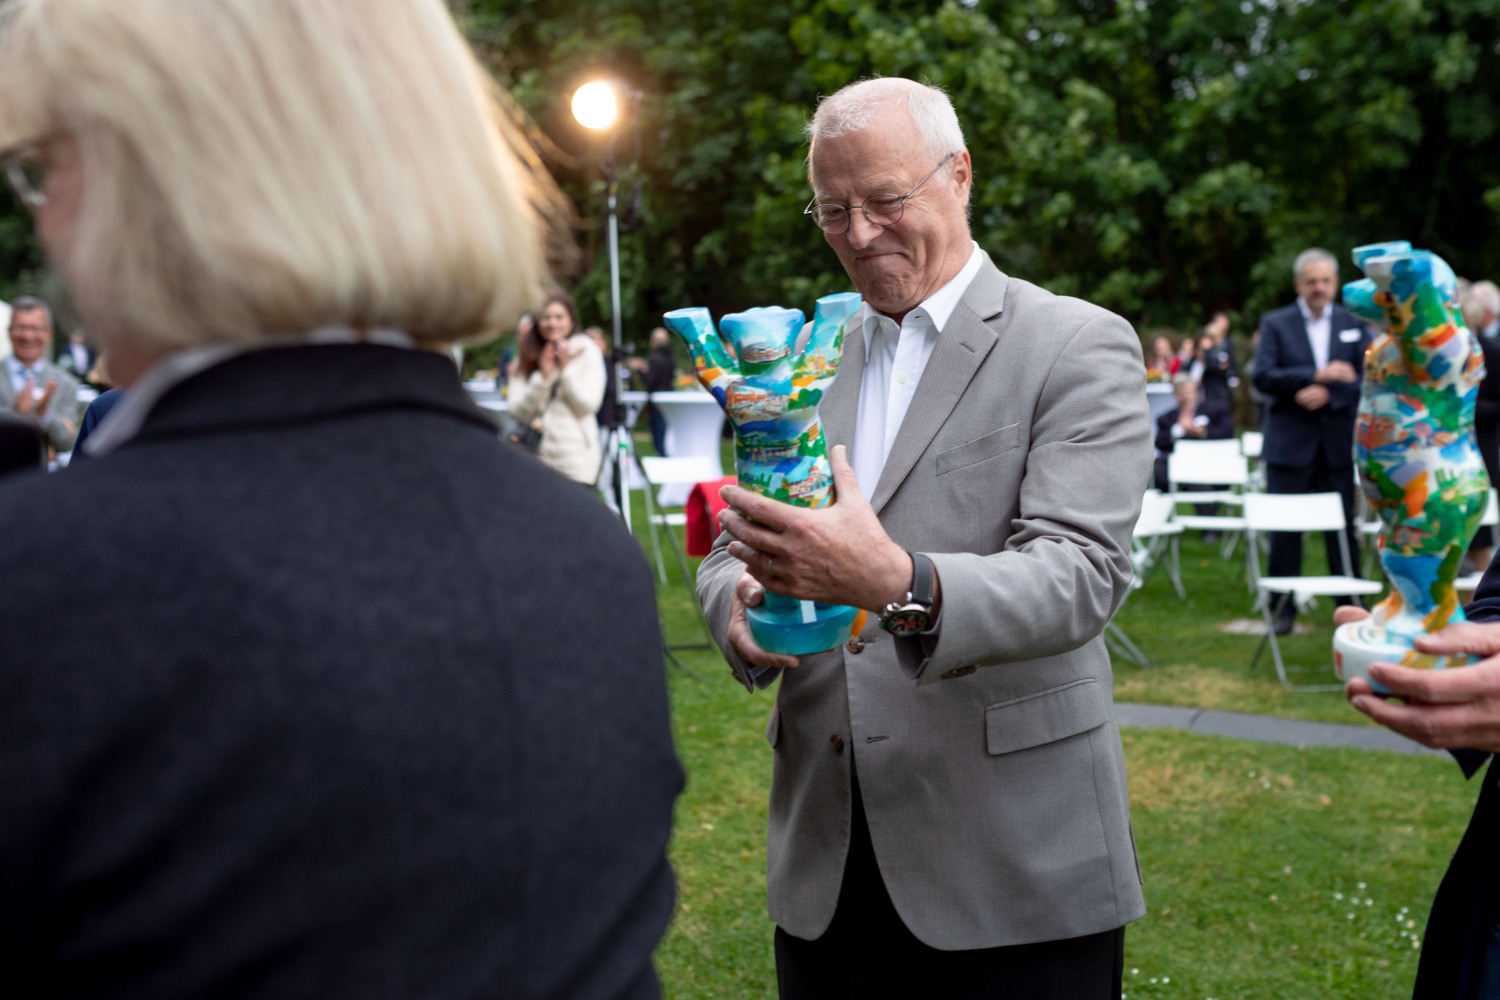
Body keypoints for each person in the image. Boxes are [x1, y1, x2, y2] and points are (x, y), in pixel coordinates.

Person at [0, 3, 682, 998]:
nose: (43, 213)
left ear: (137, 180)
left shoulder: (48, 589)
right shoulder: (591, 561)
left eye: (44, 162)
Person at [696, 78, 1151, 999]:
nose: (859, 234)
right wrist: (735, 606)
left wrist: (897, 580)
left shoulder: (1075, 343)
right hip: (828, 859)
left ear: (961, 178)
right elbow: (725, 543)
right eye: (833, 210)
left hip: (1012, 863)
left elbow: (1080, 575)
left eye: (887, 200)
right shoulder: (800, 365)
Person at [1253, 248, 1372, 635]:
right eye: (1311, 282)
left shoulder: (1354, 322)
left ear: (1335, 283)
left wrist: (1331, 394)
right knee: (1286, 532)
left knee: (1343, 529)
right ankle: (1283, 609)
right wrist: (1314, 376)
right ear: (1298, 285)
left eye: (1325, 281)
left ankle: (1352, 610)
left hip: (1336, 444)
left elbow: (1368, 380)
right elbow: (1263, 376)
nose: (1319, 288)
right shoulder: (1276, 323)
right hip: (1290, 445)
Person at [507, 288, 606, 485]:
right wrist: (542, 379)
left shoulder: (587, 352)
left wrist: (565, 371)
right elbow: (516, 411)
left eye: (559, 317)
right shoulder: (525, 356)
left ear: (571, 319)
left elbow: (588, 405)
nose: (552, 323)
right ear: (537, 321)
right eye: (546, 317)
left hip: (576, 461)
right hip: (534, 458)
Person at [0, 295, 78, 452]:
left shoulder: (65, 383)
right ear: (9, 331)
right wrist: (16, 413)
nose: (27, 336)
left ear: (49, 334)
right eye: (20, 328)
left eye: (35, 329)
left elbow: (68, 443)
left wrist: (45, 414)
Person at [1463, 281, 1500, 571]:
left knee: (1480, 541)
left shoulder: (1492, 352)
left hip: (1482, 450)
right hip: (1450, 451)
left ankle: (1481, 608)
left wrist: (1469, 406)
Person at [1153, 374, 1233, 492]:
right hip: (1177, 465)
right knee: (1156, 469)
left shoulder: (1215, 411)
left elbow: (1228, 432)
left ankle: (1208, 508)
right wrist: (1178, 430)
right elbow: (1160, 443)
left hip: (1208, 462)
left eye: (1188, 392)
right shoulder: (1166, 418)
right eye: (1181, 393)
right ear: (1175, 395)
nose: (1185, 397)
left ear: (1197, 393)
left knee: (1202, 483)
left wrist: (1202, 433)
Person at [634, 326, 676, 455]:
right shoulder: (671, 357)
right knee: (667, 430)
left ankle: (661, 455)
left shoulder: (655, 358)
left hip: (657, 400)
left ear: (653, 342)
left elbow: (650, 381)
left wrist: (640, 370)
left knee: (658, 432)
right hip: (669, 397)